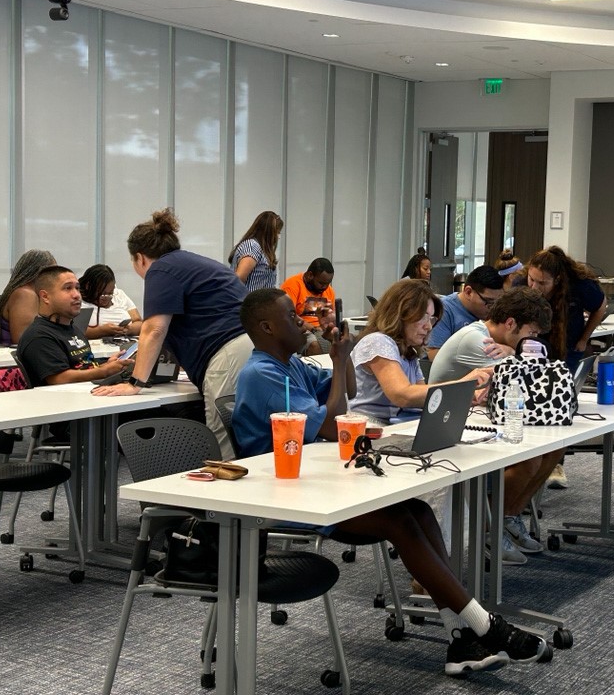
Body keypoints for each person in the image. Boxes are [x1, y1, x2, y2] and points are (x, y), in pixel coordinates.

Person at [232, 288, 547, 676]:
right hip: (285, 497)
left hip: (317, 480)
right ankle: (486, 626)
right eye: (291, 317)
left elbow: (346, 392)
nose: (302, 321)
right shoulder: (262, 374)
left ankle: (462, 638)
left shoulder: (293, 365)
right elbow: (331, 425)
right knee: (399, 521)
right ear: (266, 327)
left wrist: (341, 357)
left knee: (418, 511)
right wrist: (341, 362)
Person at [91, 208, 252, 460]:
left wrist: (135, 383)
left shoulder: (161, 269)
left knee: (225, 450)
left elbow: (154, 329)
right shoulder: (195, 263)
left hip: (229, 355)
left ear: (139, 258)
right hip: (255, 348)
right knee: (251, 438)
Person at [429, 288, 559, 564]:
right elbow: (530, 378)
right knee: (530, 459)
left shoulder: (498, 341)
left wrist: (513, 350)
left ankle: (507, 517)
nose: (533, 341)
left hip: (476, 418)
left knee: (553, 450)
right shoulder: (477, 340)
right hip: (445, 427)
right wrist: (515, 354)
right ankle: (490, 528)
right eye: (531, 334)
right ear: (510, 323)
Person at [348, 279, 490, 424]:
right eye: (423, 317)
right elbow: (403, 395)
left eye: (431, 319)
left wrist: (464, 396)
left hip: (395, 425)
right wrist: (461, 386)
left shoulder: (409, 351)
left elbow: (421, 399)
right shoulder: (377, 341)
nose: (429, 326)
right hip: (370, 425)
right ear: (399, 314)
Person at [527, 246, 606, 489]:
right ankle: (529, 463)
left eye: (542, 283)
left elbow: (600, 307)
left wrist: (584, 338)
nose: (534, 286)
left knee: (559, 407)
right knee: (533, 403)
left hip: (568, 347)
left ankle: (555, 463)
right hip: (534, 346)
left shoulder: (580, 285)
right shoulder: (522, 283)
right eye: (532, 279)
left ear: (558, 279)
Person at [17, 266, 132, 388]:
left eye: (77, 288)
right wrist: (104, 371)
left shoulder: (73, 329)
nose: (77, 295)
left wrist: (107, 365)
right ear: (45, 297)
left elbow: (83, 367)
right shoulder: (39, 336)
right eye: (68, 288)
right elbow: (59, 378)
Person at [426, 265, 506, 361]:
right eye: (488, 302)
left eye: (496, 302)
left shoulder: (492, 310)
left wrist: (508, 350)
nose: (492, 308)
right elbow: (434, 354)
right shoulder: (444, 310)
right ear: (468, 292)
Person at [0, 249, 57, 346]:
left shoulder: (28, 292)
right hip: (14, 354)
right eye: (52, 274)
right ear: (38, 272)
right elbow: (23, 340)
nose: (55, 279)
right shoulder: (25, 294)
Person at [281, 258, 337, 356]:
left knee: (343, 344)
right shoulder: (292, 286)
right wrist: (313, 329)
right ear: (310, 275)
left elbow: (331, 318)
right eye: (321, 283)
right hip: (300, 329)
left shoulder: (329, 291)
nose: (324, 287)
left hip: (321, 329)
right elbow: (289, 316)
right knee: (315, 346)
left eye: (327, 284)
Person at [79, 264, 143, 338]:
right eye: (102, 293)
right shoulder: (78, 300)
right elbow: (76, 331)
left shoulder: (119, 295)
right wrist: (101, 331)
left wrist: (128, 329)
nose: (106, 297)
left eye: (110, 293)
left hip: (125, 341)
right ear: (88, 286)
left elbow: (139, 322)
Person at [228, 210, 283, 291]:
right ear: (268, 232)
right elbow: (239, 278)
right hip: (247, 298)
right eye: (277, 232)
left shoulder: (262, 249)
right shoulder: (252, 246)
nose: (278, 237)